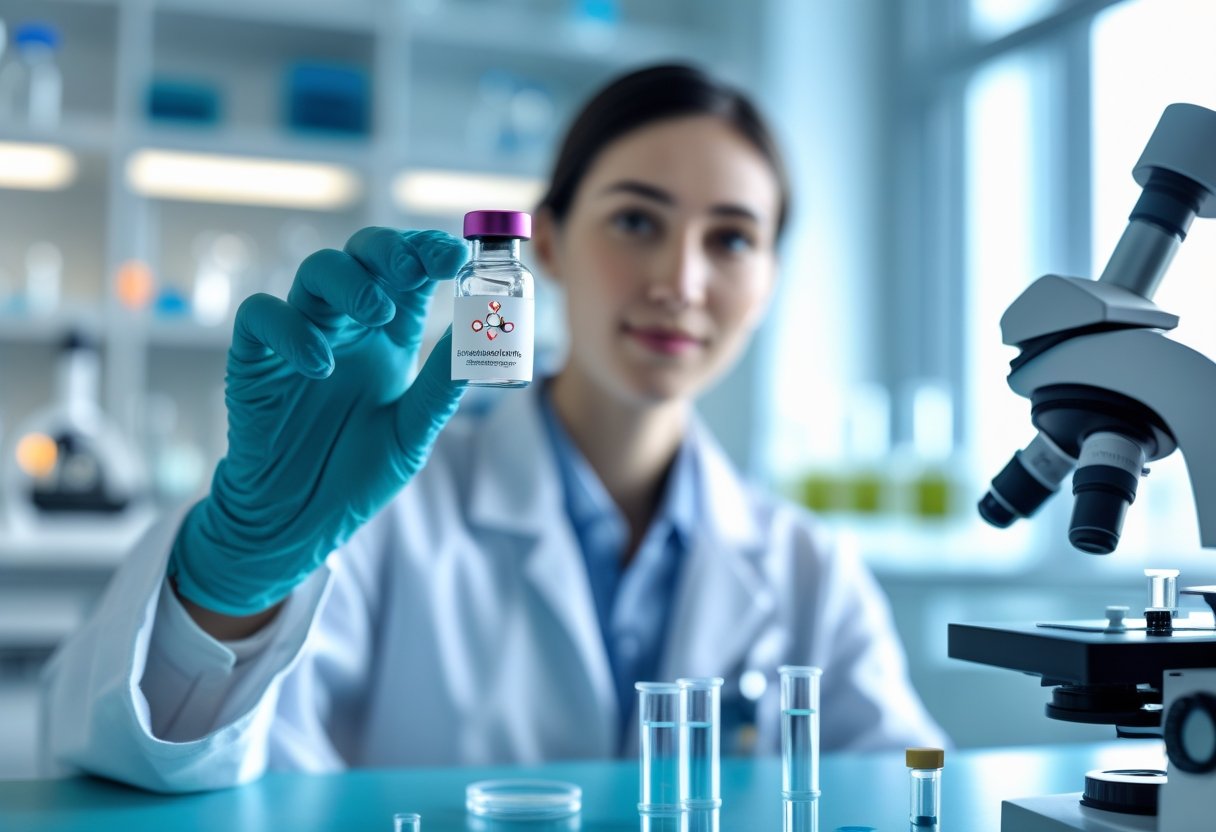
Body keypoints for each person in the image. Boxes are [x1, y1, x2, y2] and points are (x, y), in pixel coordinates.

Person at [41, 64, 946, 793]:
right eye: (636, 220)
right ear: (544, 244)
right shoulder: (388, 514)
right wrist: (232, 579)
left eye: (732, 239)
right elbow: (144, 757)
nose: (681, 280)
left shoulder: (807, 570)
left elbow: (912, 786)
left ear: (773, 277)